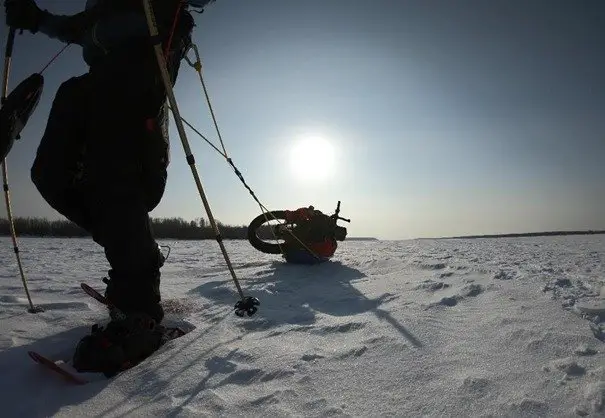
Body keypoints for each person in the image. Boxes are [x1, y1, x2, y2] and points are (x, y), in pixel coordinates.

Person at [4, 0, 213, 373]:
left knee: (113, 181)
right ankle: (131, 251)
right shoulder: (99, 12)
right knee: (47, 175)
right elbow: (68, 27)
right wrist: (33, 18)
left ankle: (141, 312)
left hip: (135, 95)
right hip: (91, 90)